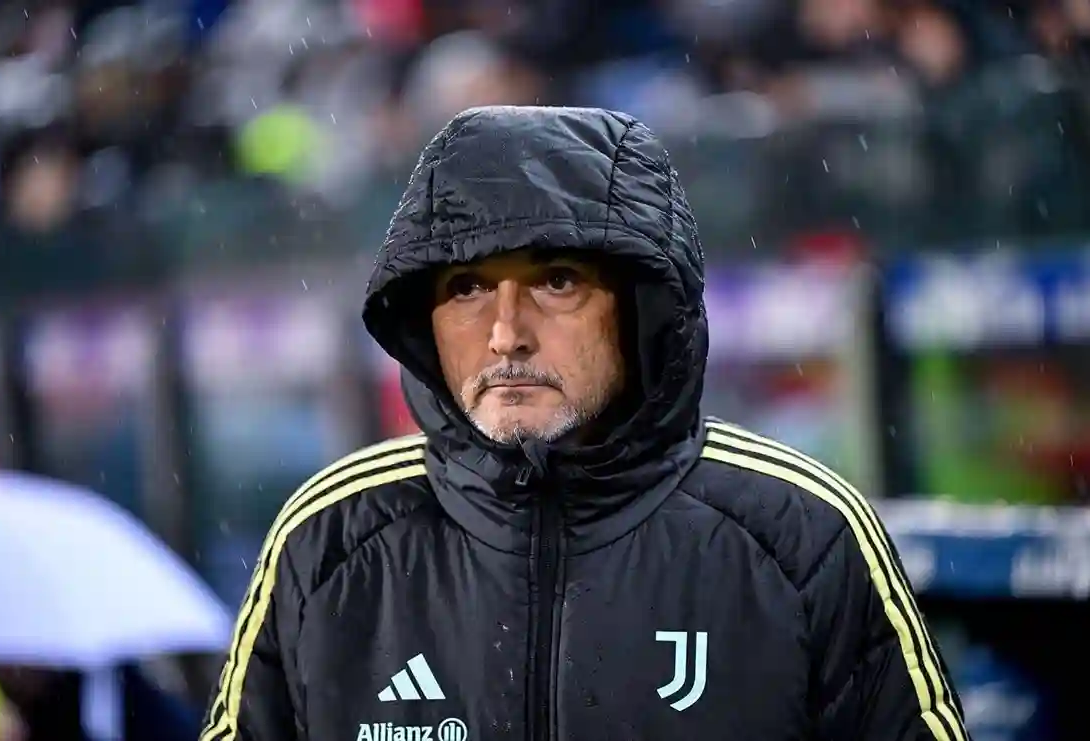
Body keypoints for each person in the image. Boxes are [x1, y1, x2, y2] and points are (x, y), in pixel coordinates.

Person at [199, 106, 970, 741]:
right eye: (467, 287)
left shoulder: (801, 533)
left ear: (642, 309)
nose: (506, 334)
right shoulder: (330, 539)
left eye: (557, 281)